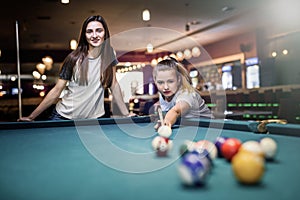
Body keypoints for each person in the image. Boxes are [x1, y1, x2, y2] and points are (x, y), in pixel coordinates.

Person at [18, 15, 129, 121]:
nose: (94, 35)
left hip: (93, 120)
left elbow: (114, 84)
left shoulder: (109, 55)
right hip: (64, 117)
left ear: (105, 33)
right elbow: (57, 90)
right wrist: (31, 117)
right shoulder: (73, 59)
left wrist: (126, 113)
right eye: (89, 31)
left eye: (99, 30)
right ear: (84, 35)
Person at [152, 57, 212, 129]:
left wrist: (165, 124)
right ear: (155, 81)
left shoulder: (186, 94)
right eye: (160, 82)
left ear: (179, 79)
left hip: (208, 129)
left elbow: (176, 111)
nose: (165, 87)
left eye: (170, 81)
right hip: (188, 128)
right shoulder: (164, 94)